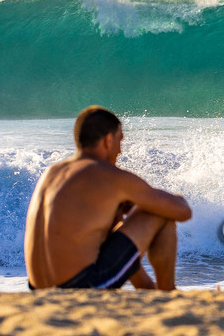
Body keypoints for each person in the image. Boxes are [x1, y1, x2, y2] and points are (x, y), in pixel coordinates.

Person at [24, 106, 192, 291]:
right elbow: (182, 212)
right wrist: (178, 199)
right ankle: (167, 293)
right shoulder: (107, 174)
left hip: (37, 289)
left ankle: (148, 288)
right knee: (160, 213)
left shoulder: (51, 173)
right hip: (81, 286)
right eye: (120, 140)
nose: (120, 150)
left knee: (109, 222)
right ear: (108, 140)